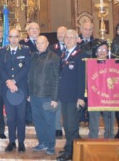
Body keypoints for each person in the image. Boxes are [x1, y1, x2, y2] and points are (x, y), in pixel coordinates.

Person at [0, 28, 31, 153]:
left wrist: (14, 81)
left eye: (16, 36)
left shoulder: (25, 51)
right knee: (11, 117)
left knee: (21, 117)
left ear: (19, 37)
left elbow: (26, 67)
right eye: (11, 36)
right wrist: (8, 82)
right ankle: (12, 141)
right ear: (8, 38)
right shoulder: (2, 52)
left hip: (20, 89)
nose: (13, 39)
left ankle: (21, 142)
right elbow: (0, 68)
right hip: (7, 89)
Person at [56, 29, 87, 161]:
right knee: (67, 125)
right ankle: (71, 148)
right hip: (64, 96)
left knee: (72, 125)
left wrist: (81, 97)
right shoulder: (64, 54)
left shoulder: (80, 55)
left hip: (74, 97)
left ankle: (71, 151)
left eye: (71, 38)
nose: (68, 40)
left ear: (76, 39)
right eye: (66, 38)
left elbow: (82, 78)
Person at [28, 36, 60, 155]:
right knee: (38, 121)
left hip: (47, 96)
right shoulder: (33, 56)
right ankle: (42, 142)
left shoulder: (54, 57)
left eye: (42, 43)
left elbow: (56, 79)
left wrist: (54, 98)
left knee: (49, 122)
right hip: (34, 95)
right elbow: (30, 76)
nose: (40, 45)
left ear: (47, 44)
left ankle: (51, 145)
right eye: (38, 43)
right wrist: (29, 93)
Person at [87, 40, 115, 139]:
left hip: (110, 97)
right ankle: (93, 140)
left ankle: (109, 140)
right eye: (100, 49)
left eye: (104, 49)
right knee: (94, 120)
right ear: (95, 52)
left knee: (110, 120)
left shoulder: (114, 64)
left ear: (108, 52)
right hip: (95, 96)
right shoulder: (90, 64)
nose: (102, 52)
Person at [19, 22, 40, 125]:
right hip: (26, 76)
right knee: (26, 98)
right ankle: (27, 120)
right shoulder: (22, 43)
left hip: (40, 78)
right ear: (27, 31)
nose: (34, 30)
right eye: (32, 29)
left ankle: (37, 120)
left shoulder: (44, 42)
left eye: (36, 29)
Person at [49, 26, 67, 138]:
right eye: (58, 33)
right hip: (56, 80)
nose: (60, 35)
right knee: (57, 105)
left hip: (68, 81)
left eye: (62, 33)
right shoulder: (52, 48)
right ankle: (57, 128)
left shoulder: (73, 48)